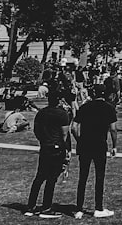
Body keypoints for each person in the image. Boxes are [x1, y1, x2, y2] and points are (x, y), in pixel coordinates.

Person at [72, 86, 118, 219]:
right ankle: (98, 207)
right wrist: (114, 146)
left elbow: (74, 127)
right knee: (99, 177)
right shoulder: (109, 108)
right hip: (99, 144)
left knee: (83, 177)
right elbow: (113, 129)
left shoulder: (85, 107)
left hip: (85, 144)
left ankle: (79, 208)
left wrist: (79, 140)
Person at [25, 90, 72, 218]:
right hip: (56, 148)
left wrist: (44, 140)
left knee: (39, 177)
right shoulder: (62, 114)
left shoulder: (41, 113)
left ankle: (31, 206)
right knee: (51, 179)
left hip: (45, 146)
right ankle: (46, 207)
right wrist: (66, 149)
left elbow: (37, 130)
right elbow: (64, 134)